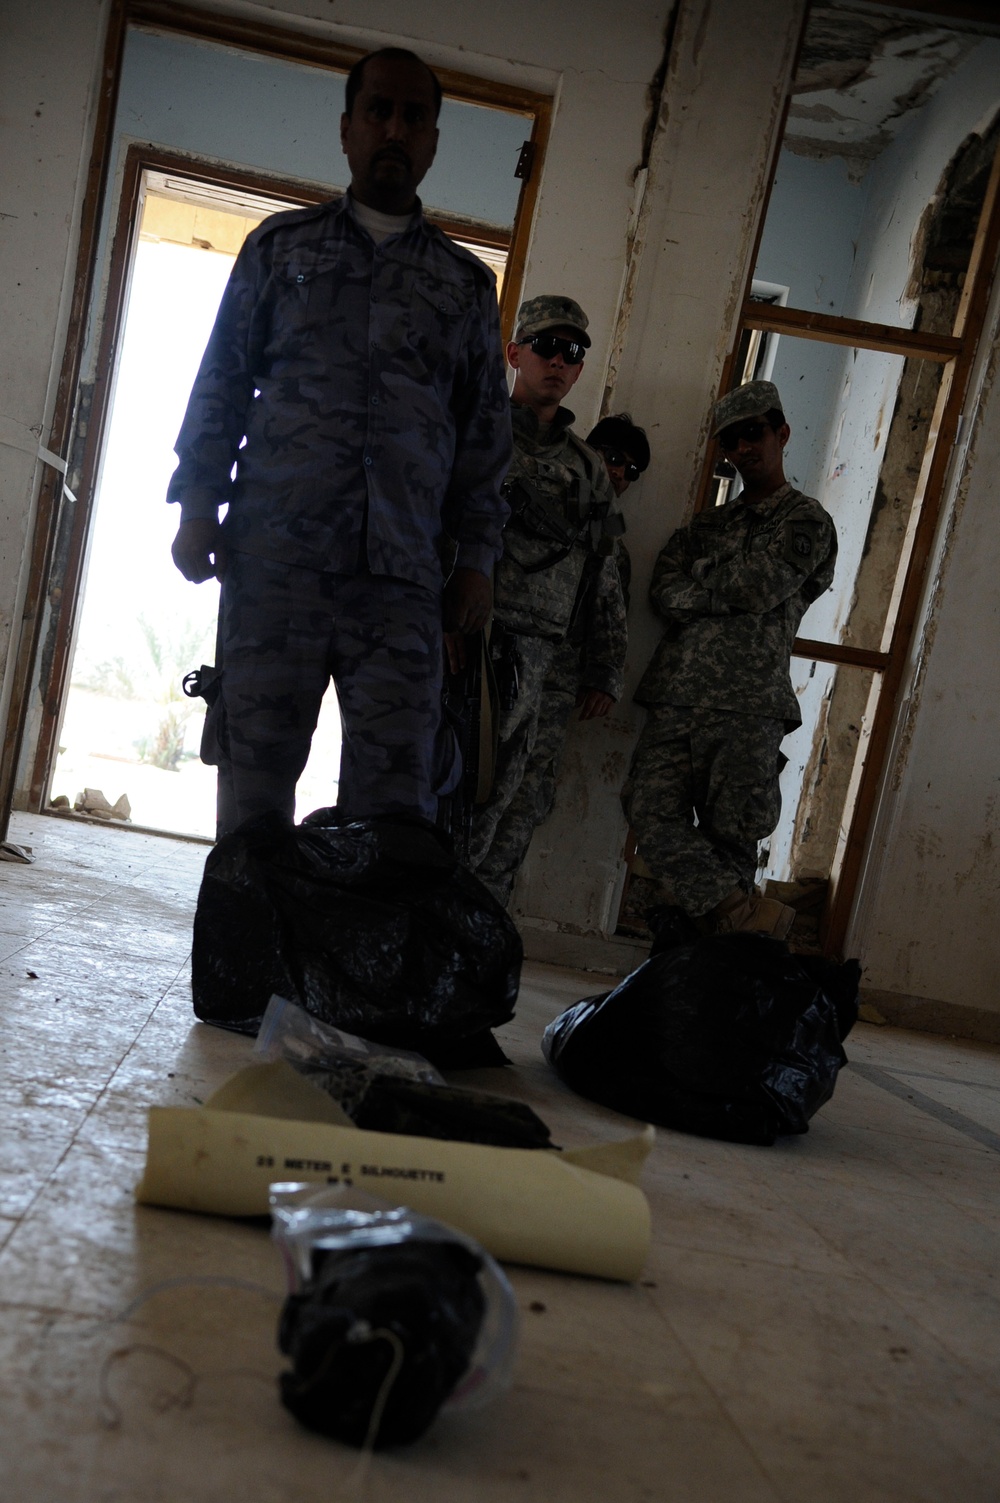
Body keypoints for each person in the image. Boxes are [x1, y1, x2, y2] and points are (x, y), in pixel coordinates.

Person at [167, 48, 512, 836]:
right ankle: (250, 961)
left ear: (432, 141)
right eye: (378, 111)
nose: (395, 129)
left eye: (414, 117)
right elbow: (221, 382)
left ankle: (362, 961)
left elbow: (485, 439)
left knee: (394, 808)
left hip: (400, 584)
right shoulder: (279, 250)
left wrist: (478, 561)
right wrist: (196, 505)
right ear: (347, 129)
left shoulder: (463, 287)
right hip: (273, 565)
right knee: (254, 790)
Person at [622, 380, 837, 937]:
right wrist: (716, 589)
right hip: (676, 696)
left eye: (754, 434)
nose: (744, 448)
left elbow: (759, 588)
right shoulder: (706, 525)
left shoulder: (806, 521)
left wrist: (702, 582)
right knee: (649, 812)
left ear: (781, 434)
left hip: (748, 705)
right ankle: (742, 915)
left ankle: (715, 979)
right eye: (732, 439)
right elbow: (663, 592)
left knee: (732, 836)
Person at [466, 295, 628, 900]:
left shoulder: (588, 469)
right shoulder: (475, 438)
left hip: (545, 656)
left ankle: (471, 939)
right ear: (514, 354)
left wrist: (606, 667)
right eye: (546, 347)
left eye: (574, 353)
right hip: (472, 644)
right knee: (453, 792)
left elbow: (604, 573)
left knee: (510, 806)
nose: (558, 362)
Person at [471, 413, 650, 905]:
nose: (619, 474)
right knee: (478, 789)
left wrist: (604, 672)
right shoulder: (523, 483)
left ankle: (486, 915)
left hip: (555, 686)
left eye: (632, 471)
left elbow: (608, 605)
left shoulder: (610, 535)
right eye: (613, 459)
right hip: (497, 660)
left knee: (525, 799)